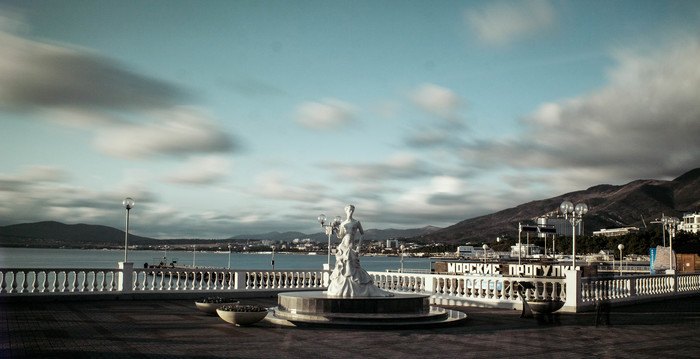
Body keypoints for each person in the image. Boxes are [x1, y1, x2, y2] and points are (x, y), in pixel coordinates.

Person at [327, 205, 393, 297]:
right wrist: (334, 228)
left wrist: (359, 246)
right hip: (343, 246)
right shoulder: (343, 223)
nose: (351, 212)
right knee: (343, 265)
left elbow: (362, 234)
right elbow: (340, 236)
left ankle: (354, 288)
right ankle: (343, 288)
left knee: (352, 264)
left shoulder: (356, 222)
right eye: (349, 210)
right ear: (346, 211)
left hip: (351, 246)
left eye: (352, 210)